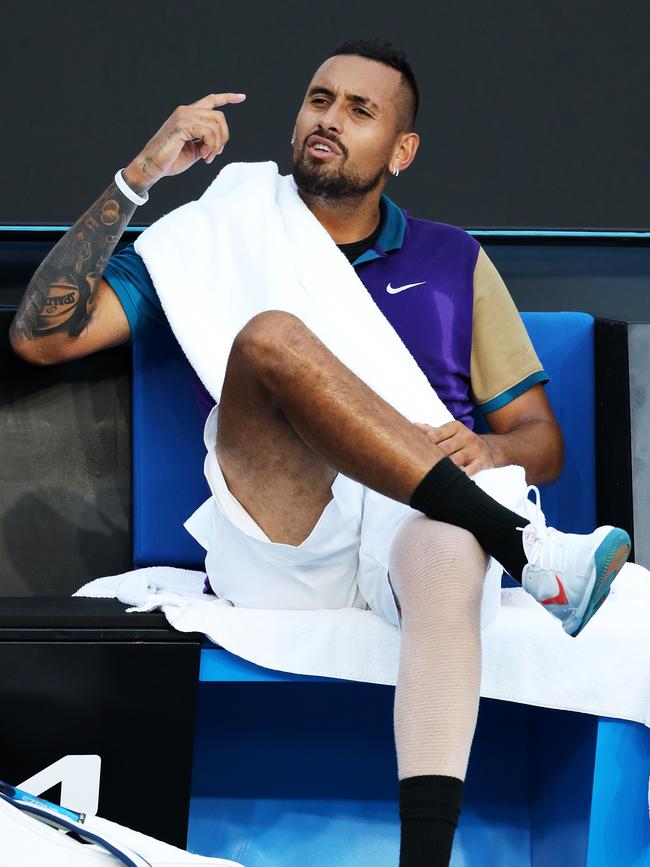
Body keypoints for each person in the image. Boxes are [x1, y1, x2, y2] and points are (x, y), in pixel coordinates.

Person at [10, 39, 630, 867]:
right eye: (319, 99)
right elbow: (41, 338)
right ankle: (527, 549)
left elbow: (541, 443)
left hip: (416, 528)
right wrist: (138, 179)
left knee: (450, 547)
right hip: (283, 532)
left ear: (401, 151)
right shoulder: (217, 233)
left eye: (359, 110)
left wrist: (484, 443)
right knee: (270, 337)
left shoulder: (455, 260)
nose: (328, 120)